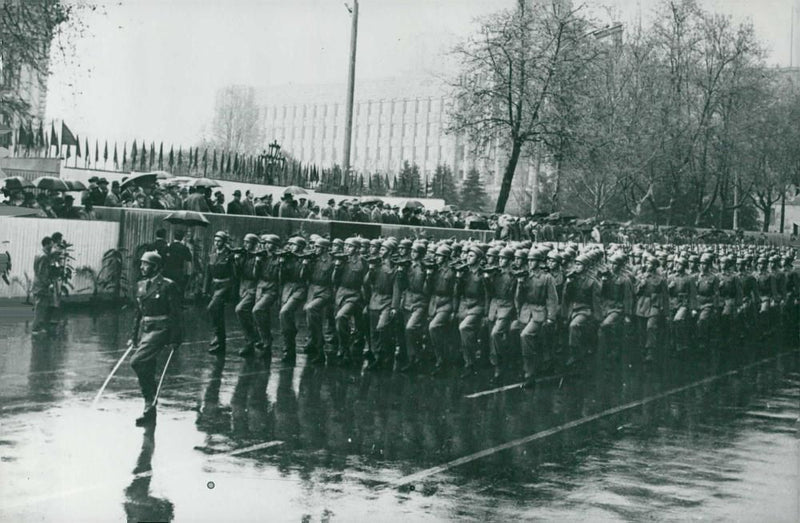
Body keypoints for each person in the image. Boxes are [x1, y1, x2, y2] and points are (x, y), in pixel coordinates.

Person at [129, 251, 182, 426]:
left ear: (155, 267)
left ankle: (150, 397)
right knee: (147, 366)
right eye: (142, 264)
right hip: (145, 329)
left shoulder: (168, 285)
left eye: (146, 264)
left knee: (136, 361)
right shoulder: (140, 285)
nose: (142, 267)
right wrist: (133, 336)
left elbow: (175, 314)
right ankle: (149, 407)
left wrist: (175, 338)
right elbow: (138, 313)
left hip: (161, 329)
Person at [202, 231, 236, 354]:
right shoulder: (212, 256)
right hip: (214, 287)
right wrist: (205, 290)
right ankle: (221, 344)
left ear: (224, 242)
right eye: (215, 241)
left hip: (225, 286)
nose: (217, 243)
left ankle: (217, 335)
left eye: (219, 241)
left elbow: (234, 274)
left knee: (212, 308)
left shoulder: (230, 256)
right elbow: (208, 274)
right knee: (218, 314)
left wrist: (233, 292)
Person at [234, 233, 261, 357]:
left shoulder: (258, 256)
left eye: (248, 242)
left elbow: (256, 275)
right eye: (244, 242)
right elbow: (237, 274)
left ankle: (253, 339)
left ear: (254, 244)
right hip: (243, 288)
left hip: (254, 288)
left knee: (240, 310)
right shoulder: (244, 255)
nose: (245, 244)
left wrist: (257, 262)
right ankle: (252, 341)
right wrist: (237, 261)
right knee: (247, 315)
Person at [32, 236, 56, 334]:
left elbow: (36, 270)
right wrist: (48, 283)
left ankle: (38, 327)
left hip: (38, 283)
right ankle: (35, 328)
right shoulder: (44, 256)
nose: (52, 247)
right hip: (41, 285)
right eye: (51, 245)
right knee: (40, 307)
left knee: (40, 306)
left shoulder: (38, 254)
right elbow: (41, 272)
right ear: (46, 244)